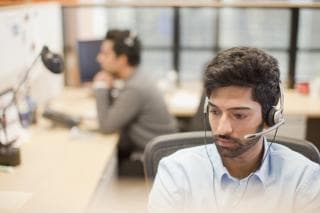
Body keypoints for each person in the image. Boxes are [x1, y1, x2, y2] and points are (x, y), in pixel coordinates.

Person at [148, 47, 320, 212]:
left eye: (238, 115)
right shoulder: (177, 172)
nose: (222, 129)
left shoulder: (303, 179)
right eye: (215, 112)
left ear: (269, 118)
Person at [93, 29, 178, 161]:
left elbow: (106, 126)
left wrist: (100, 86)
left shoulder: (135, 88)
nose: (99, 58)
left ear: (122, 60)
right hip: (159, 152)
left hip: (154, 160)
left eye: (105, 54)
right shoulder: (138, 76)